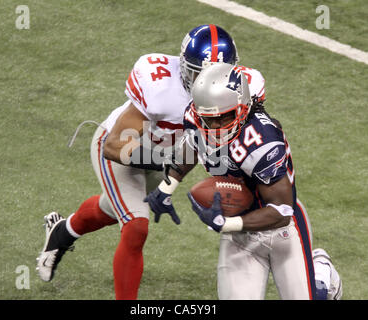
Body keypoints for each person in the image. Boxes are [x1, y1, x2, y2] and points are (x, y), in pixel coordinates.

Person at [36, 24, 241, 300]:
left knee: (112, 209)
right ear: (183, 66)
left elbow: (208, 144)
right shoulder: (159, 85)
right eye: (199, 74)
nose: (207, 83)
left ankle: (63, 231)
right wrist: (165, 160)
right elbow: (114, 145)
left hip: (164, 161)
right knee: (135, 226)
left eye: (216, 75)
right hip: (123, 151)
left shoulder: (235, 91)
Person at [144, 62, 342, 299]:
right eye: (209, 119)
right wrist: (167, 186)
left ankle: (321, 275)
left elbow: (281, 211)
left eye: (224, 117)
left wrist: (226, 223)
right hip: (239, 234)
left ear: (243, 107)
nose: (215, 127)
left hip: (283, 230)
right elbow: (193, 145)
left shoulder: (263, 141)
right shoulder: (196, 119)